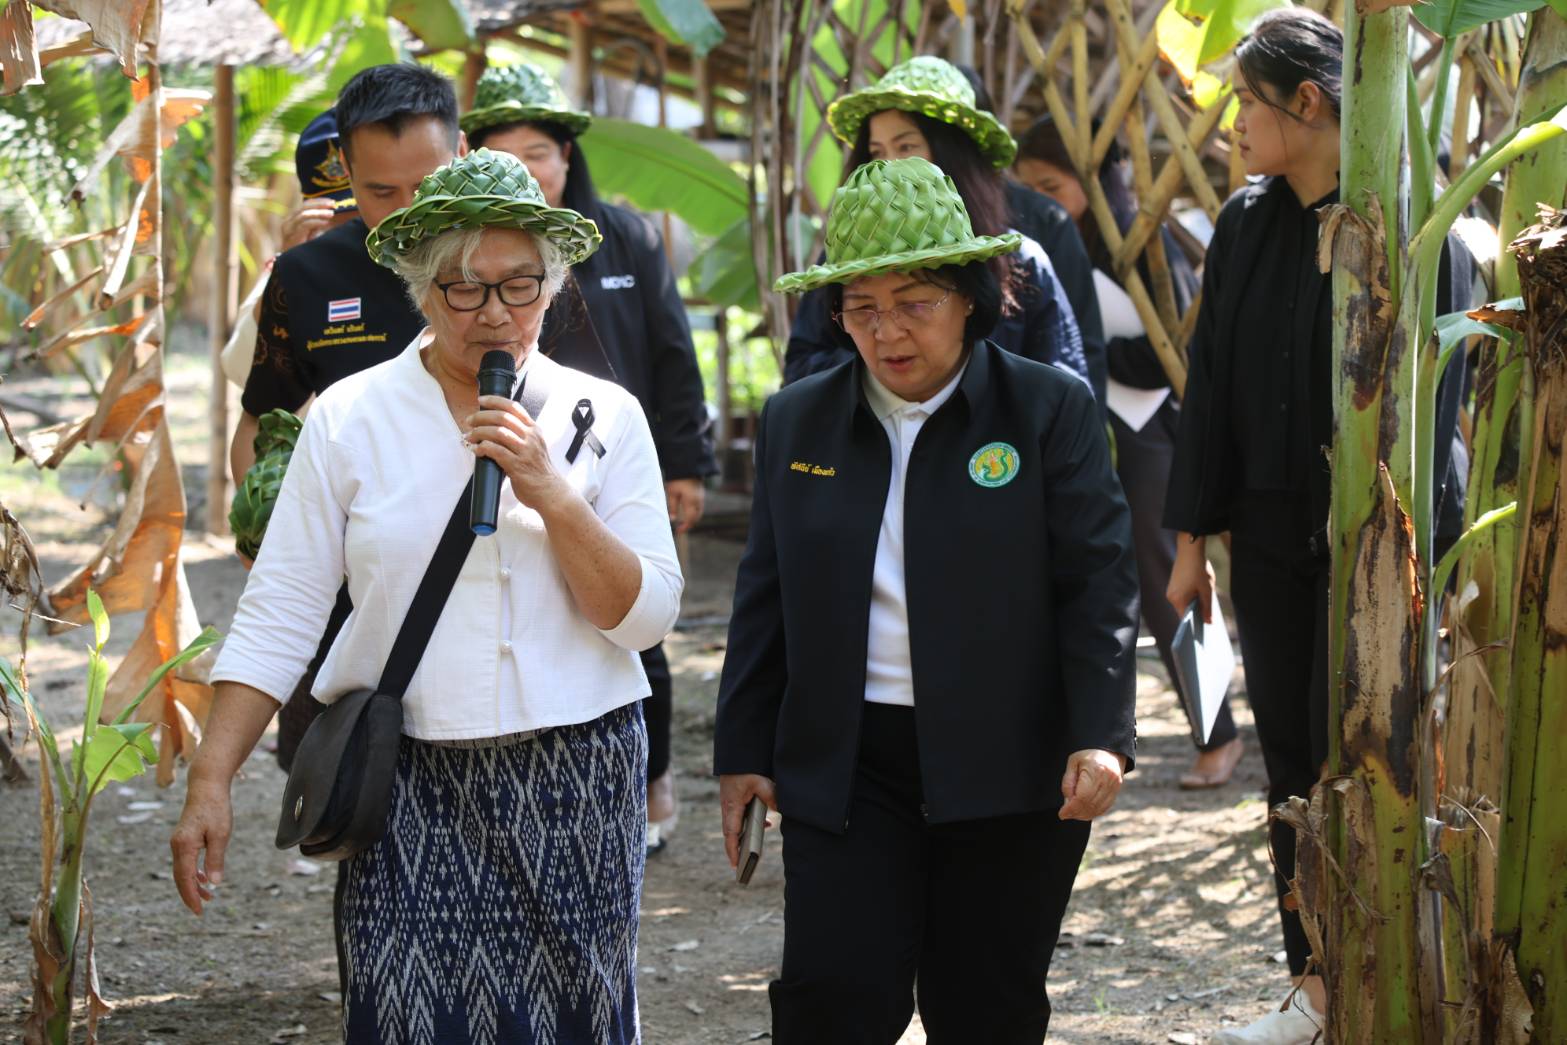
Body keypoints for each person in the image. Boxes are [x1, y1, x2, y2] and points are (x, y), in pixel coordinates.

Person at [171, 148, 683, 1043]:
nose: (494, 313)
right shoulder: (349, 416)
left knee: (578, 1022)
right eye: (463, 288)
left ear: (553, 285)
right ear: (419, 286)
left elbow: (643, 616)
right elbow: (283, 606)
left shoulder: (604, 416)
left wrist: (550, 491)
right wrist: (211, 778)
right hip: (405, 780)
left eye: (520, 286)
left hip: (578, 778)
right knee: (404, 1015)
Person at [714, 156, 1139, 1044]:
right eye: (861, 306)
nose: (887, 329)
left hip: (1009, 760)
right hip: (848, 756)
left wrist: (1100, 733)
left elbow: (1096, 580)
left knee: (984, 1001)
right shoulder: (799, 418)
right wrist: (744, 747)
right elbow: (766, 590)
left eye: (915, 302)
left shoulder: (1044, 409)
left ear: (970, 298)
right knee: (835, 992)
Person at [1161, 10, 1472, 1042]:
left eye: (1241, 102)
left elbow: (1442, 403)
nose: (1228, 126)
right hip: (1270, 538)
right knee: (1290, 759)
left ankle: (1399, 968)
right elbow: (1207, 388)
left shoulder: (1412, 216)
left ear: (1306, 103)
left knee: (1377, 751)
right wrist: (1188, 539)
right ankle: (1315, 983)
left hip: (1388, 549)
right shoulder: (1246, 223)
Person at [461, 62, 717, 854]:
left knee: (639, 624)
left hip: (615, 461)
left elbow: (674, 355)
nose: (529, 169)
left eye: (540, 151)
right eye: (507, 151)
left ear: (567, 158)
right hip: (507, 459)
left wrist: (684, 464)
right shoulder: (471, 260)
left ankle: (653, 785)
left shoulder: (628, 238)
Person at [236, 64, 466, 778]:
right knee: (355, 799)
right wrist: (268, 533)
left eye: (426, 188)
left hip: (488, 567)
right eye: (379, 192)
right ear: (344, 171)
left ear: (459, 155)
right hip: (357, 594)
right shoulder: (305, 277)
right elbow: (260, 425)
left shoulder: (517, 265)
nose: (404, 214)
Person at [1015, 116, 1245, 788]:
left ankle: (1218, 734)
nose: (1043, 200)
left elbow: (1172, 349)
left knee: (1164, 584)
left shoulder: (1135, 242)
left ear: (1091, 179)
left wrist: (1084, 346)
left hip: (1149, 432)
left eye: (1052, 185)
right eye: (1030, 188)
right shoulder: (1060, 239)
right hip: (1095, 427)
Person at [784, 55, 1098, 397]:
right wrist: (891, 377)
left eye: (906, 146)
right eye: (877, 151)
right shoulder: (842, 260)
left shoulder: (1021, 257)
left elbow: (1068, 391)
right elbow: (802, 370)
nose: (890, 165)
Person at [220, 109, 361, 390]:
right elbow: (240, 368)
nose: (350, 238)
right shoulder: (293, 266)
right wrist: (285, 277)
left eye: (358, 221)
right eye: (333, 225)